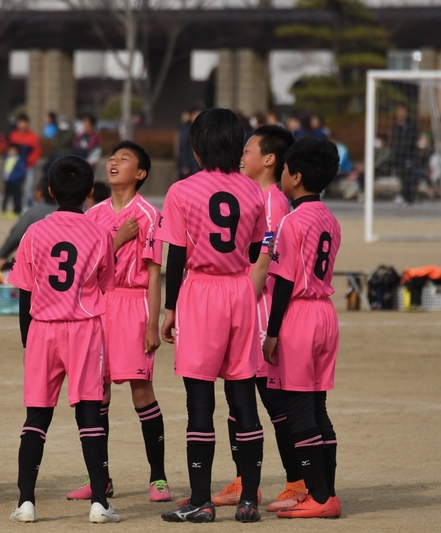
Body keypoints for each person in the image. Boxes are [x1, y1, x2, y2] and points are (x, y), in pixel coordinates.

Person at [157, 108, 266, 524]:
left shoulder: (183, 190)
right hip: (240, 292)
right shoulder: (253, 191)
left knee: (199, 401)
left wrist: (169, 309)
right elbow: (256, 252)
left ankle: (200, 500)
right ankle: (249, 499)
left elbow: (177, 257)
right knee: (243, 399)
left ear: (198, 146)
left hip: (200, 294)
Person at [8, 155, 119, 524]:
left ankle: (26, 502)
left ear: (51, 191)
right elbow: (105, 285)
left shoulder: (35, 231)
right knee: (89, 414)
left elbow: (24, 292)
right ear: (90, 192)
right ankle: (100, 503)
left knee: (36, 416)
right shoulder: (101, 232)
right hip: (84, 329)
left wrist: (28, 339)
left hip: (43, 328)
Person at [211, 125, 307, 512]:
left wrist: (242, 295)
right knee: (237, 401)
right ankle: (242, 479)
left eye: (248, 149)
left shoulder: (272, 201)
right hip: (243, 309)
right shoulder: (252, 194)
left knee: (272, 401)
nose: (242, 154)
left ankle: (297, 481)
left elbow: (269, 260)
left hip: (260, 311)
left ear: (269, 159)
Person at [71, 141, 170, 503]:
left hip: (133, 303)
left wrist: (152, 322)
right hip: (98, 305)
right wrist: (115, 240)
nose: (114, 162)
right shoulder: (92, 214)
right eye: (112, 158)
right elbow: (85, 267)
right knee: (98, 393)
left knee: (141, 391)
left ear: (140, 173)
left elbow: (155, 273)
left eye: (124, 159)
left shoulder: (149, 215)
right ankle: (100, 478)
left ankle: (158, 478)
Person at [262, 137, 342, 519]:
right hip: (326, 313)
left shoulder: (292, 222)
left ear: (295, 175)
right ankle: (327, 490)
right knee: (318, 403)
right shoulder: (330, 217)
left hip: (299, 315)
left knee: (298, 407)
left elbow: (284, 284)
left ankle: (320, 497)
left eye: (285, 170)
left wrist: (271, 332)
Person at [0, 177, 57, 273]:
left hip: (36, 265)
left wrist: (2, 254)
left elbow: (16, 236)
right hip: (64, 266)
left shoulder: (32, 212)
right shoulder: (68, 213)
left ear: (40, 192)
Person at [8, 113, 42, 207]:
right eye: (20, 123)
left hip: (28, 166)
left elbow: (37, 151)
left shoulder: (32, 137)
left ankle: (29, 206)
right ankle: (17, 206)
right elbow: (9, 149)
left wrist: (28, 161)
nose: (22, 125)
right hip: (16, 166)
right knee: (16, 187)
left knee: (28, 187)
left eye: (24, 123)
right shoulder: (13, 135)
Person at [391, 104, 420, 205]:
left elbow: (413, 140)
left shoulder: (412, 125)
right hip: (398, 155)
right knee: (401, 176)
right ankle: (404, 196)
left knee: (408, 175)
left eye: (402, 111)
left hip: (409, 155)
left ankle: (407, 197)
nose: (400, 114)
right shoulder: (396, 125)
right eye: (398, 111)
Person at [1, 144, 27, 217]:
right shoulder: (7, 158)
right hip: (8, 180)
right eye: (10, 150)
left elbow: (21, 172)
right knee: (6, 196)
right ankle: (4, 210)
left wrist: (16, 178)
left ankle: (17, 210)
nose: (11, 152)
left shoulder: (20, 160)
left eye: (13, 150)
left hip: (16, 182)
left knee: (16, 196)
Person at [177, 107, 202, 181]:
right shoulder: (186, 129)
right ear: (190, 115)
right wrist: (185, 164)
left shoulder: (199, 128)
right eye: (195, 114)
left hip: (197, 164)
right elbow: (183, 147)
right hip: (190, 164)